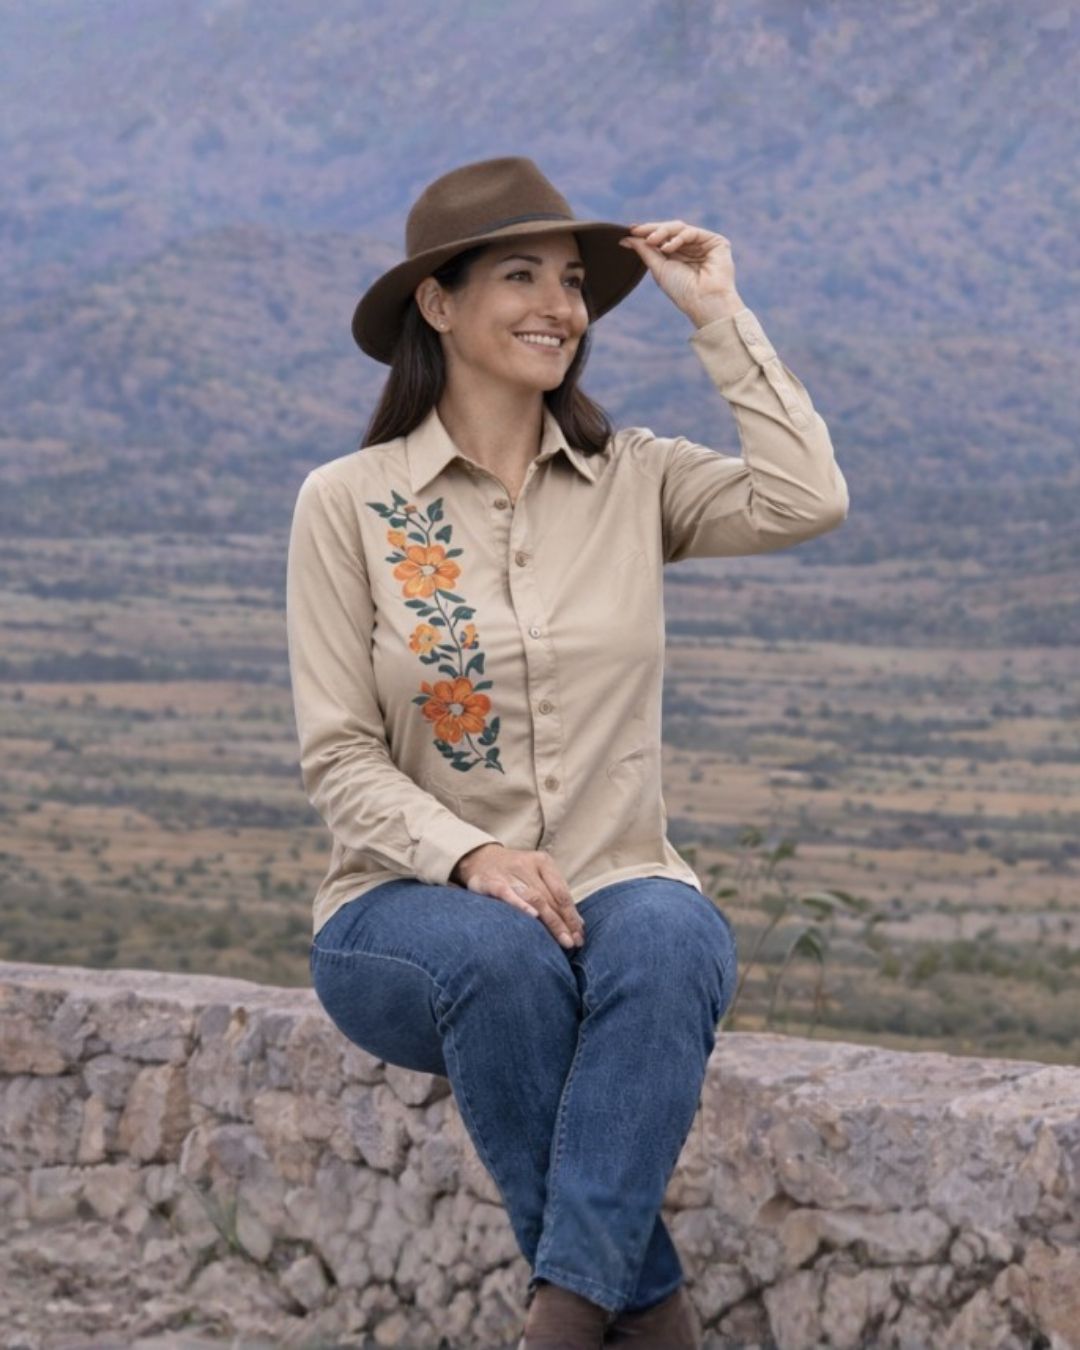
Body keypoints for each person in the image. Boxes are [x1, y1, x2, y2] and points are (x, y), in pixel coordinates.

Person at [286, 156, 849, 1349]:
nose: (561, 305)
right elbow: (338, 757)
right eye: (521, 276)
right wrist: (472, 855)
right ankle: (632, 1316)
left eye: (575, 283)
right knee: (505, 957)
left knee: (675, 935)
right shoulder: (347, 503)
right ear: (437, 303)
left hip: (615, 879)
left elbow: (808, 498)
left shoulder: (635, 478)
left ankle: (574, 1317)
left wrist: (719, 316)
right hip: (407, 910)